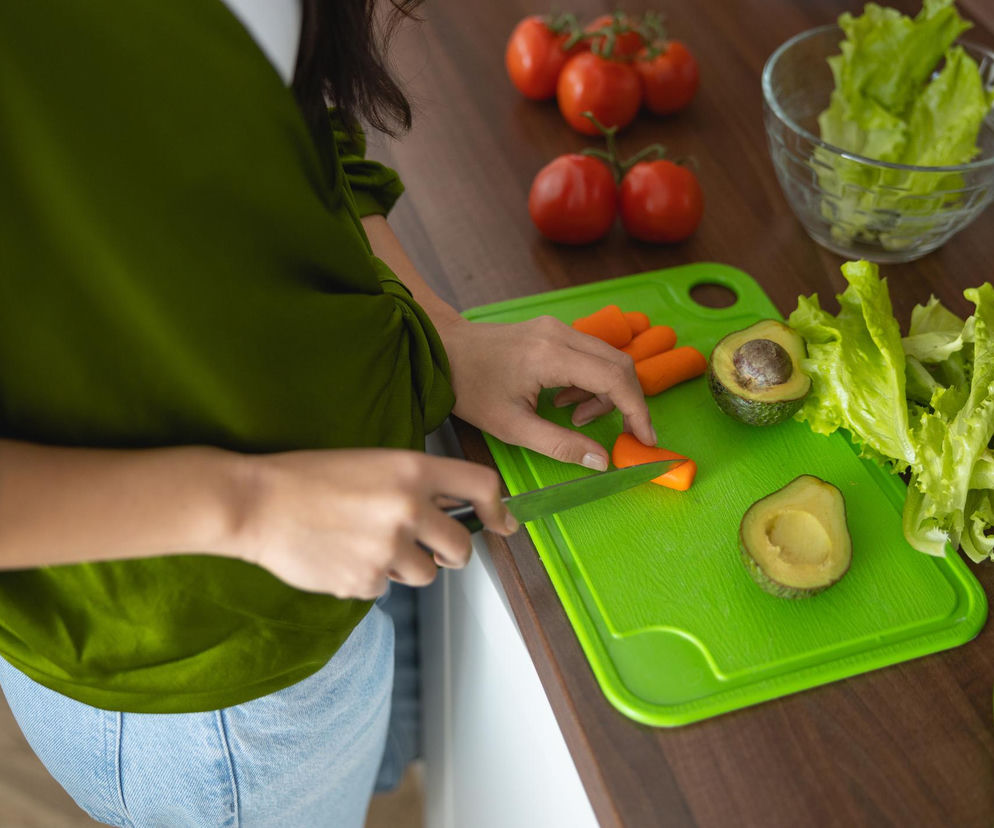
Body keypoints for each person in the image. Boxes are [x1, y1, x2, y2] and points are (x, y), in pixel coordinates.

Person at [0, 0, 656, 825]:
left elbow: (289, 138)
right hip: (209, 648)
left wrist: (441, 336)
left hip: (353, 513)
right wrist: (252, 508)